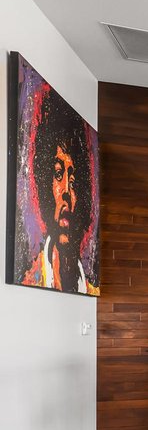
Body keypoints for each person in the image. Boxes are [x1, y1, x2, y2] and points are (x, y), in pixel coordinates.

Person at [21, 92, 99, 295]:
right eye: (58, 174)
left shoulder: (89, 290)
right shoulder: (32, 280)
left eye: (73, 181)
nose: (66, 192)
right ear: (43, 182)